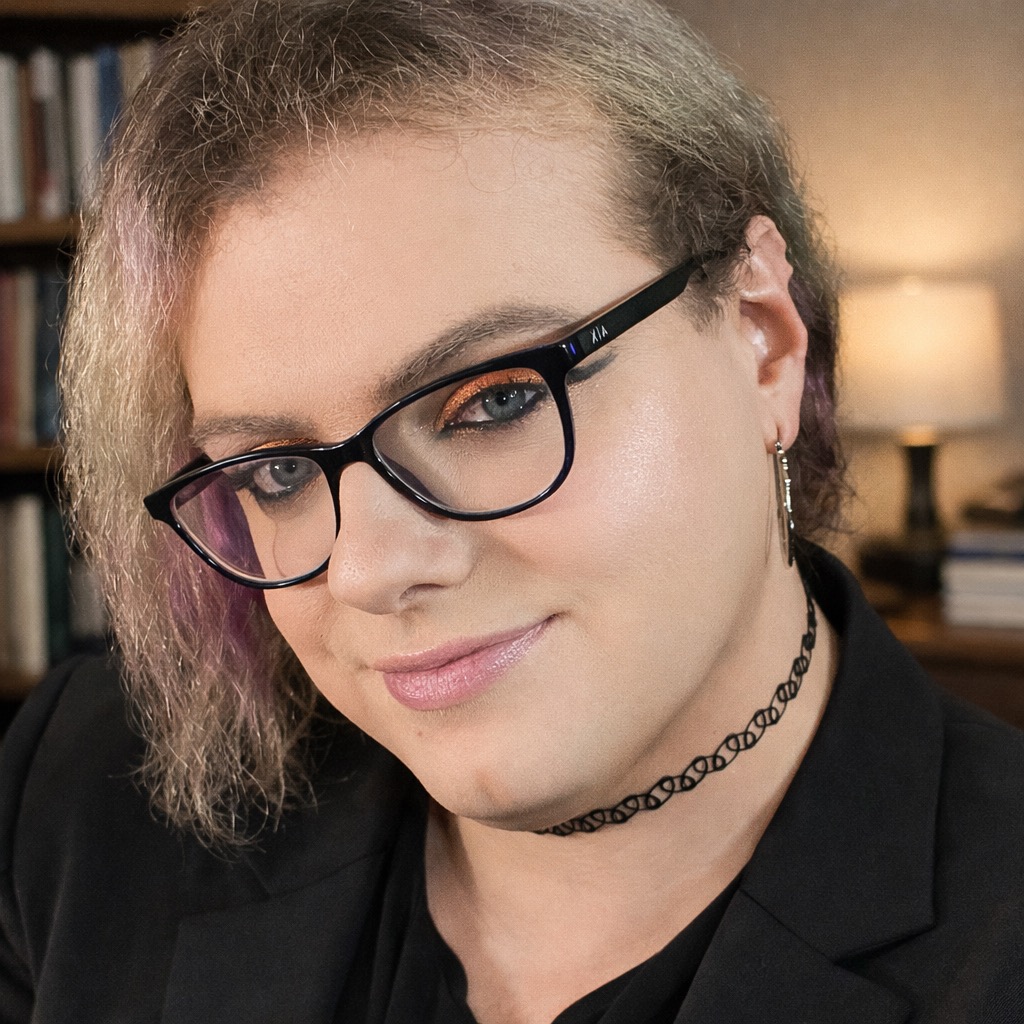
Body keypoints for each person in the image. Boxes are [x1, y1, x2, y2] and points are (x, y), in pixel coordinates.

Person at [1, 0, 1021, 1020]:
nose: (369, 570)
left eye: (495, 401)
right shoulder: (80, 803)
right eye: (276, 473)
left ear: (762, 340)